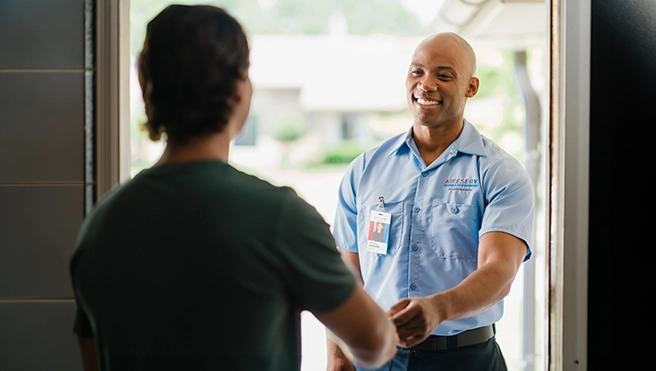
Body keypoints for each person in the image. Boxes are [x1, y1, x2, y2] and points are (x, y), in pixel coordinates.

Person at [69, 5, 397, 371]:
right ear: (240, 93)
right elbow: (375, 344)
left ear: (147, 93)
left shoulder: (100, 225)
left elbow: (92, 358)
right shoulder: (280, 218)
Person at [327, 32, 535, 371]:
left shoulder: (499, 173)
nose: (426, 84)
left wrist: (440, 308)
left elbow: (499, 271)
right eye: (417, 71)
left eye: (444, 75)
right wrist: (337, 357)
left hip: (466, 360)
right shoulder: (364, 169)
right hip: (377, 358)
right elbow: (346, 274)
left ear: (471, 87)